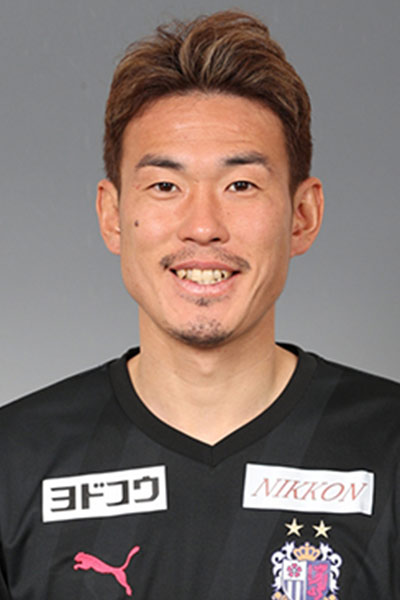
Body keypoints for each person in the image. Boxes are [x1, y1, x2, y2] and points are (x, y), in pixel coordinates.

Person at [0, 9, 399, 600]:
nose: (204, 226)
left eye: (241, 185)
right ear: (112, 216)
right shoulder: (14, 459)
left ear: (302, 216)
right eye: (165, 186)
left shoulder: (389, 446)